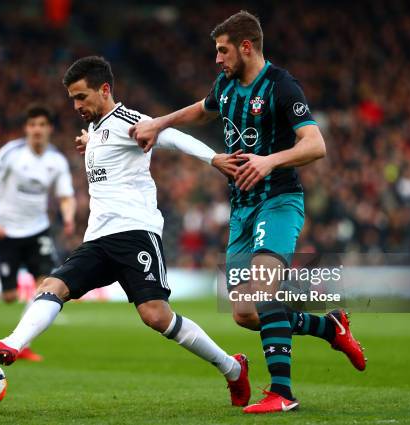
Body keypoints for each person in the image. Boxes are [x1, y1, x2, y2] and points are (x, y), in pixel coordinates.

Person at [0, 56, 251, 406]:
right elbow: (104, 143)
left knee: (156, 316)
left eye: (81, 97)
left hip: (135, 233)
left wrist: (214, 158)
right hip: (97, 239)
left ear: (105, 89)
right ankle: (12, 344)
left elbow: (170, 135)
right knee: (52, 286)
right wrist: (89, 142)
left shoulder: (130, 120)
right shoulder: (94, 130)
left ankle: (232, 369)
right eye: (72, 99)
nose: (76, 105)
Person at [129, 11, 366, 414]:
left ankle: (282, 392)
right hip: (241, 208)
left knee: (264, 289)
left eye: (223, 51)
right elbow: (204, 109)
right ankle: (329, 326)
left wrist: (270, 161)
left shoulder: (281, 85)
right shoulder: (225, 84)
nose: (217, 59)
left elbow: (315, 144)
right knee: (244, 313)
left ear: (246, 46)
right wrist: (160, 122)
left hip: (278, 200)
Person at [0, 104, 76, 361]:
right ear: (26, 128)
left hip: (38, 230)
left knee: (45, 286)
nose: (37, 130)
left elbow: (66, 196)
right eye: (33, 125)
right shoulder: (11, 153)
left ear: (49, 129)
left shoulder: (56, 161)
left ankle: (22, 344)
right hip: (7, 231)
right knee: (10, 297)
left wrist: (68, 217)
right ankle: (0, 286)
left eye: (42, 125)